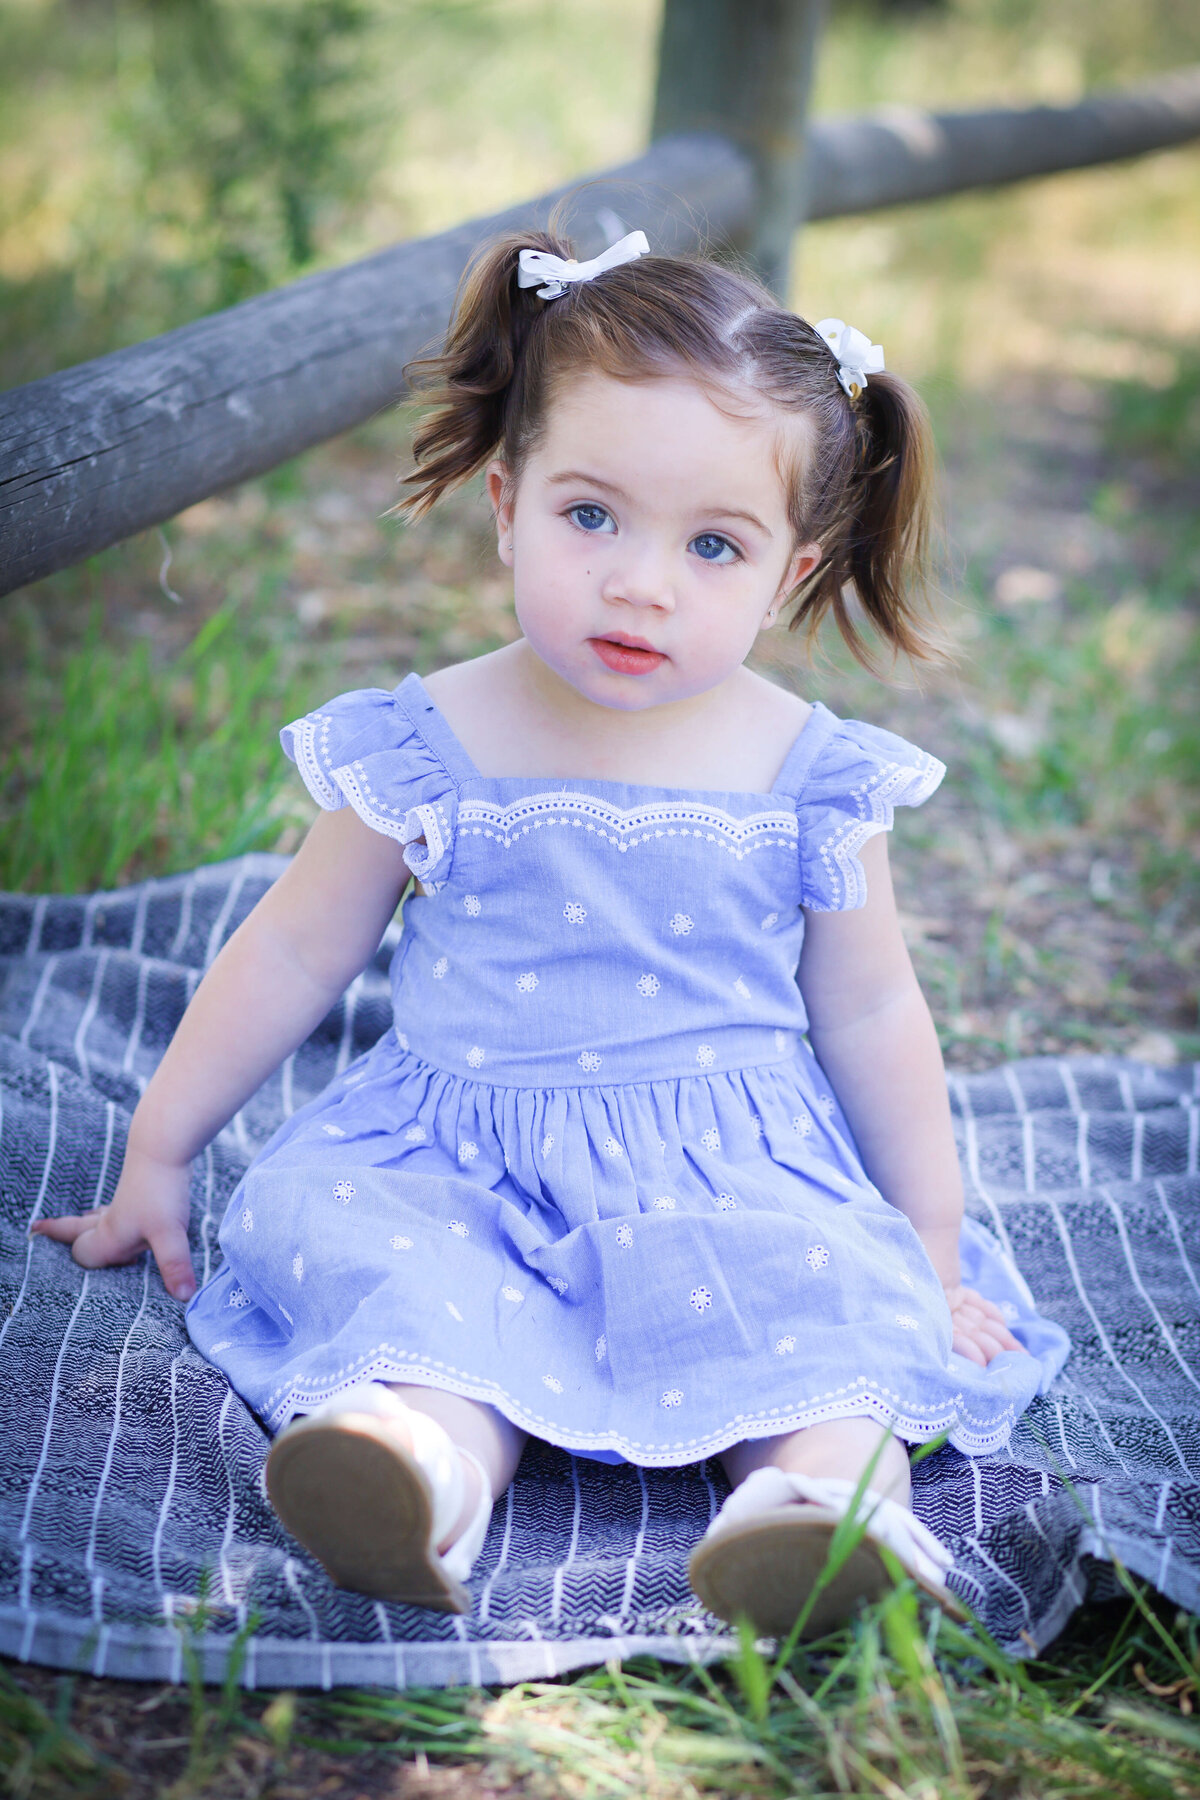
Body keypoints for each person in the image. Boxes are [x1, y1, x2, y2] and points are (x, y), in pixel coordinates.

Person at [33, 227, 1070, 1637]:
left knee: (834, 1324)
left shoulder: (810, 775)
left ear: (791, 570)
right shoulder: (435, 740)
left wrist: (934, 1246)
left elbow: (875, 1015)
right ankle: (416, 1470)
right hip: (463, 1163)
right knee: (419, 1294)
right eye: (594, 517)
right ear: (509, 504)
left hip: (730, 1171)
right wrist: (160, 1150)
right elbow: (291, 950)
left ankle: (819, 1505)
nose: (641, 580)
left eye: (714, 544)